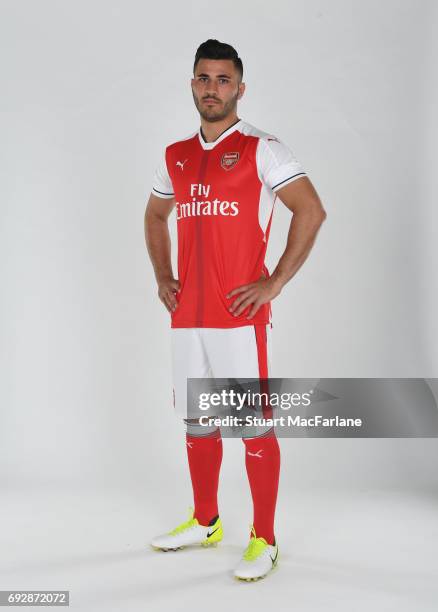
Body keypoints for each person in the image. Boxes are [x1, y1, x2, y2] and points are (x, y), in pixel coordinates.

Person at [144, 38, 326, 581]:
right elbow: (155, 218)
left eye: (224, 80)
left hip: (238, 318)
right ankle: (206, 521)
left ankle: (264, 538)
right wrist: (162, 275)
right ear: (192, 84)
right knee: (197, 422)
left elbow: (310, 211)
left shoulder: (261, 148)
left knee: (252, 425)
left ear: (240, 89)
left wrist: (272, 283)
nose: (212, 88)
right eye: (204, 78)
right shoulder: (174, 153)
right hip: (187, 316)